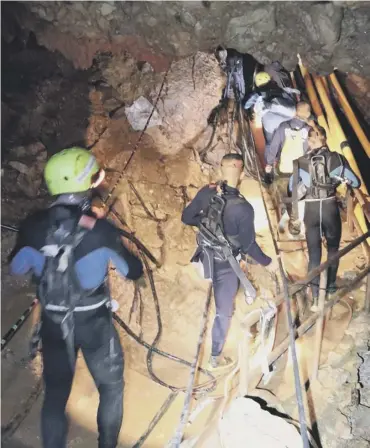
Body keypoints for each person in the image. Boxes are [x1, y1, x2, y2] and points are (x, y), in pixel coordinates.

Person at [10, 147, 143, 448]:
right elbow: (132, 271)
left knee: (56, 394)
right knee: (111, 387)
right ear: (86, 183)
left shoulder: (32, 225)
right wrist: (106, 233)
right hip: (95, 322)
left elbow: (17, 268)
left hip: (55, 322)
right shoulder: (100, 230)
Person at [181, 153, 276, 370]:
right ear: (241, 173)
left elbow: (186, 218)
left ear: (221, 169)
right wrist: (268, 262)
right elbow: (249, 245)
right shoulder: (243, 208)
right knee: (224, 311)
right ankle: (215, 357)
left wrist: (206, 225)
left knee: (225, 284)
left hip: (204, 256)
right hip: (226, 266)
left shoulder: (207, 192)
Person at [288, 127, 360, 305]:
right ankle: (330, 288)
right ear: (325, 139)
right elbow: (356, 182)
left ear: (309, 141)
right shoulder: (337, 159)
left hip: (311, 211)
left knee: (314, 255)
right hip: (329, 208)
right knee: (333, 250)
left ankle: (314, 296)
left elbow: (292, 188)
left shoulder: (300, 162)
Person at [244, 71, 300, 157]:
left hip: (270, 123)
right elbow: (294, 95)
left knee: (271, 143)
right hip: (287, 119)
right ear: (270, 80)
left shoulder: (257, 94)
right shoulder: (280, 89)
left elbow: (246, 105)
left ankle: (271, 160)